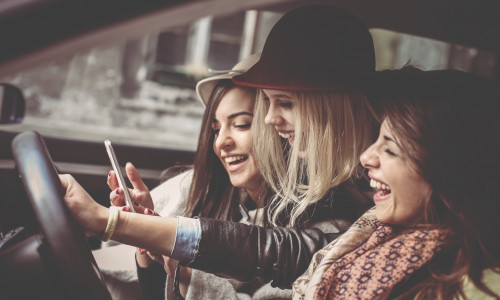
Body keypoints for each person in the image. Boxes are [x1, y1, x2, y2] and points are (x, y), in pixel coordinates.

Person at [61, 4, 379, 295]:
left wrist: (117, 223)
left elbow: (273, 250)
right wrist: (149, 242)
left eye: (241, 124)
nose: (221, 142)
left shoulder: (344, 212)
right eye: (215, 128)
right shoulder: (211, 194)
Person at [293, 67, 500, 299]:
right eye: (376, 139)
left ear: (449, 172)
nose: (365, 157)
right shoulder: (378, 236)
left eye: (390, 150)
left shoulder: (471, 288)